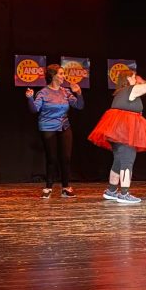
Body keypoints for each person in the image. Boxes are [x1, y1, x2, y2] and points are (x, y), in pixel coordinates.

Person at [88, 68, 146, 204]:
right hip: (125, 132)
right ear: (128, 79)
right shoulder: (131, 89)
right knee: (127, 160)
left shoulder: (120, 92)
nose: (135, 79)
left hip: (116, 132)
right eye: (134, 77)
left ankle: (111, 191)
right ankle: (124, 194)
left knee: (118, 161)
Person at [26, 64, 84, 199]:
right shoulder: (43, 93)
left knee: (66, 158)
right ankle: (48, 187)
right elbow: (34, 109)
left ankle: (65, 188)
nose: (64, 76)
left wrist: (79, 93)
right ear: (53, 76)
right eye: (61, 74)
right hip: (48, 127)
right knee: (52, 158)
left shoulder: (65, 92)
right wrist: (30, 98)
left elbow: (79, 106)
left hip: (64, 126)